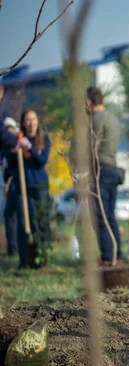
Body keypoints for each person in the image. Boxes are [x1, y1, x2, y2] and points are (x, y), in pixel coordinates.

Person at [5, 110, 51, 268]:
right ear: (23, 123)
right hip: (22, 188)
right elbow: (10, 165)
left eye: (34, 119)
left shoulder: (43, 139)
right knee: (23, 223)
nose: (31, 123)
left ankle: (41, 258)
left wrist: (29, 147)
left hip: (39, 186)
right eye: (27, 120)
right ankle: (24, 261)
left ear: (37, 122)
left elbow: (42, 160)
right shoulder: (17, 140)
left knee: (41, 222)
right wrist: (14, 149)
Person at [86, 86, 123, 266]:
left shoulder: (94, 120)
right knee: (111, 216)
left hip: (100, 171)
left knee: (101, 216)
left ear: (88, 102)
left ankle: (108, 256)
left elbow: (89, 150)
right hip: (113, 169)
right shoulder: (114, 119)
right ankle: (118, 254)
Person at [2, 117, 19, 256]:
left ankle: (18, 249)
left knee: (17, 216)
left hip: (22, 185)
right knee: (9, 216)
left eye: (11, 129)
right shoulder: (5, 148)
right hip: (11, 184)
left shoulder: (18, 143)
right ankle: (12, 249)